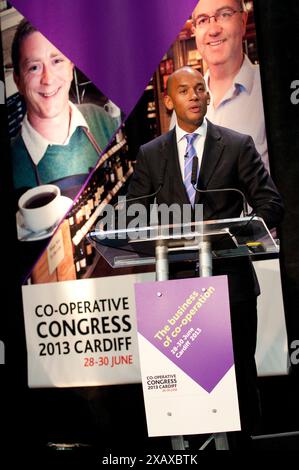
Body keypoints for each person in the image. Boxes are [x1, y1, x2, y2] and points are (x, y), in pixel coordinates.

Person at [127, 66, 283, 445]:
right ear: (169, 100)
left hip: (232, 286)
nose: (195, 95)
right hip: (178, 290)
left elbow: (270, 204)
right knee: (186, 394)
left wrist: (238, 235)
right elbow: (133, 219)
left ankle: (242, 445)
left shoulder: (237, 144)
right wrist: (166, 242)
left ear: (208, 97)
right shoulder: (150, 155)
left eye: (200, 88)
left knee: (237, 382)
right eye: (184, 90)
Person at [11, 19, 119, 200]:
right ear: (18, 81)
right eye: (34, 67)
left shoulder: (104, 121)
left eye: (57, 61)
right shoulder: (14, 162)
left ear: (71, 66)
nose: (48, 79)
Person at [190, 0, 269, 172]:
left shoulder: (273, 89)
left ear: (242, 21)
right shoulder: (184, 105)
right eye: (203, 20)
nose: (213, 30)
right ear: (194, 31)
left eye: (224, 14)